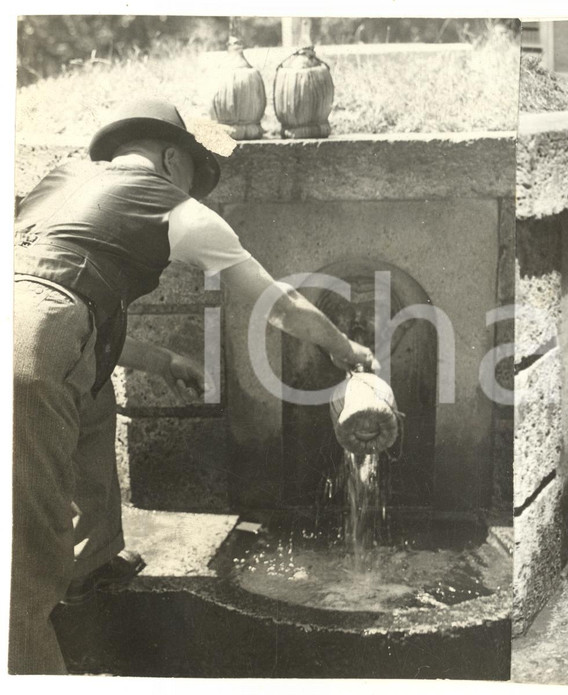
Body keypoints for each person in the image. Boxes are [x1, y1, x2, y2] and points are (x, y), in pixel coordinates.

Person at [11, 99, 378, 674]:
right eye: (195, 178)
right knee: (23, 572)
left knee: (93, 395)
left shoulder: (56, 182)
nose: (196, 193)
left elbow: (56, 315)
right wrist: (342, 347)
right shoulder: (173, 206)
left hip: (34, 338)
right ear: (171, 158)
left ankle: (92, 566)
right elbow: (276, 303)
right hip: (27, 358)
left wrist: (159, 359)